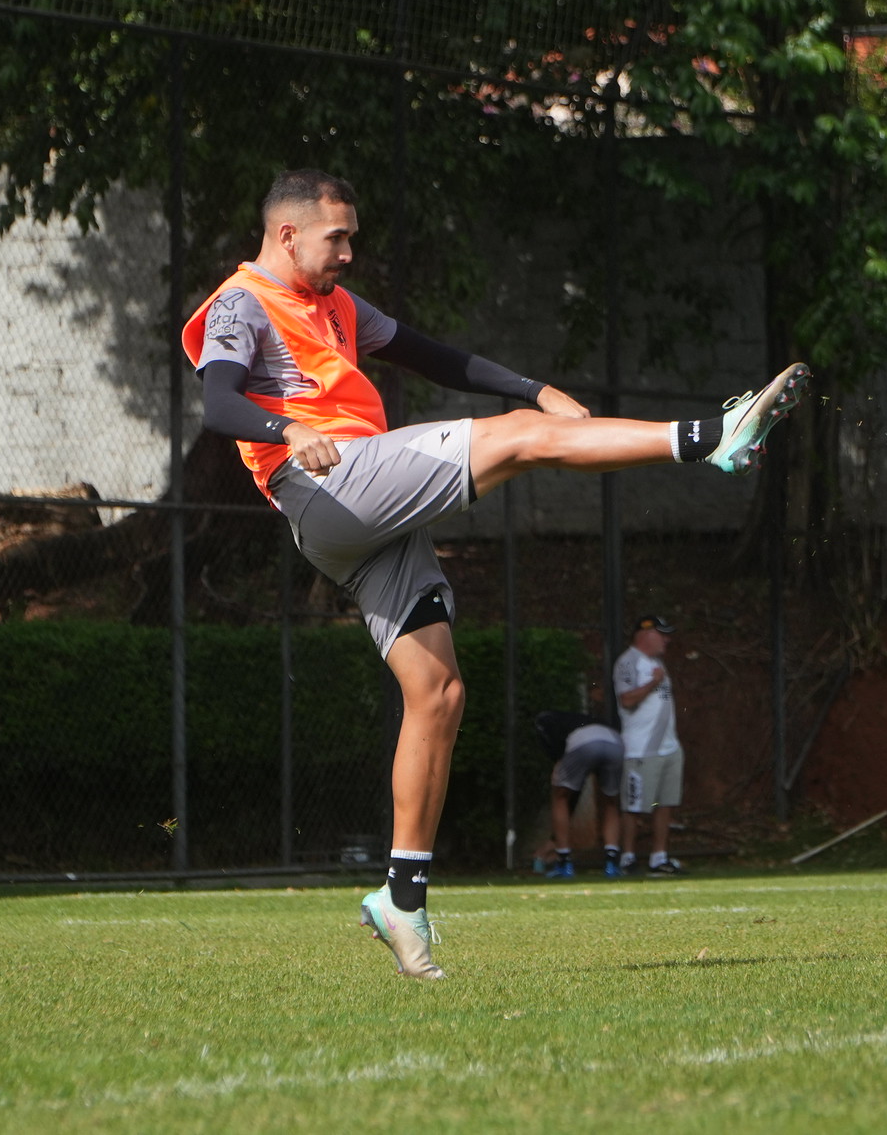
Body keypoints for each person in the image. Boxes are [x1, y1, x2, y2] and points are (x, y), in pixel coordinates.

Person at [181, 168, 808, 979]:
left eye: (353, 238)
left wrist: (535, 386)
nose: (350, 252)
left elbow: (433, 355)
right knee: (518, 438)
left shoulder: (336, 304)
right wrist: (287, 427)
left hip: (364, 510)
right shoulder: (242, 302)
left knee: (439, 692)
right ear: (288, 234)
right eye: (338, 238)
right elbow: (219, 403)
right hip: (326, 487)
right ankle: (711, 438)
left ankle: (402, 901)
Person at [614, 615, 688, 877]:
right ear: (645, 634)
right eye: (662, 634)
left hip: (669, 746)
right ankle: (627, 857)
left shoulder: (657, 662)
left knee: (665, 803)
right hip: (641, 749)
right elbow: (626, 699)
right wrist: (652, 683)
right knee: (634, 806)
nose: (667, 639)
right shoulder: (627, 662)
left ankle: (659, 857)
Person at [536, 691, 625, 879]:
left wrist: (558, 762)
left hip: (584, 741)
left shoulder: (546, 720)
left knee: (559, 797)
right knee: (610, 802)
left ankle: (564, 861)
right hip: (615, 742)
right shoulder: (584, 720)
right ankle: (612, 863)